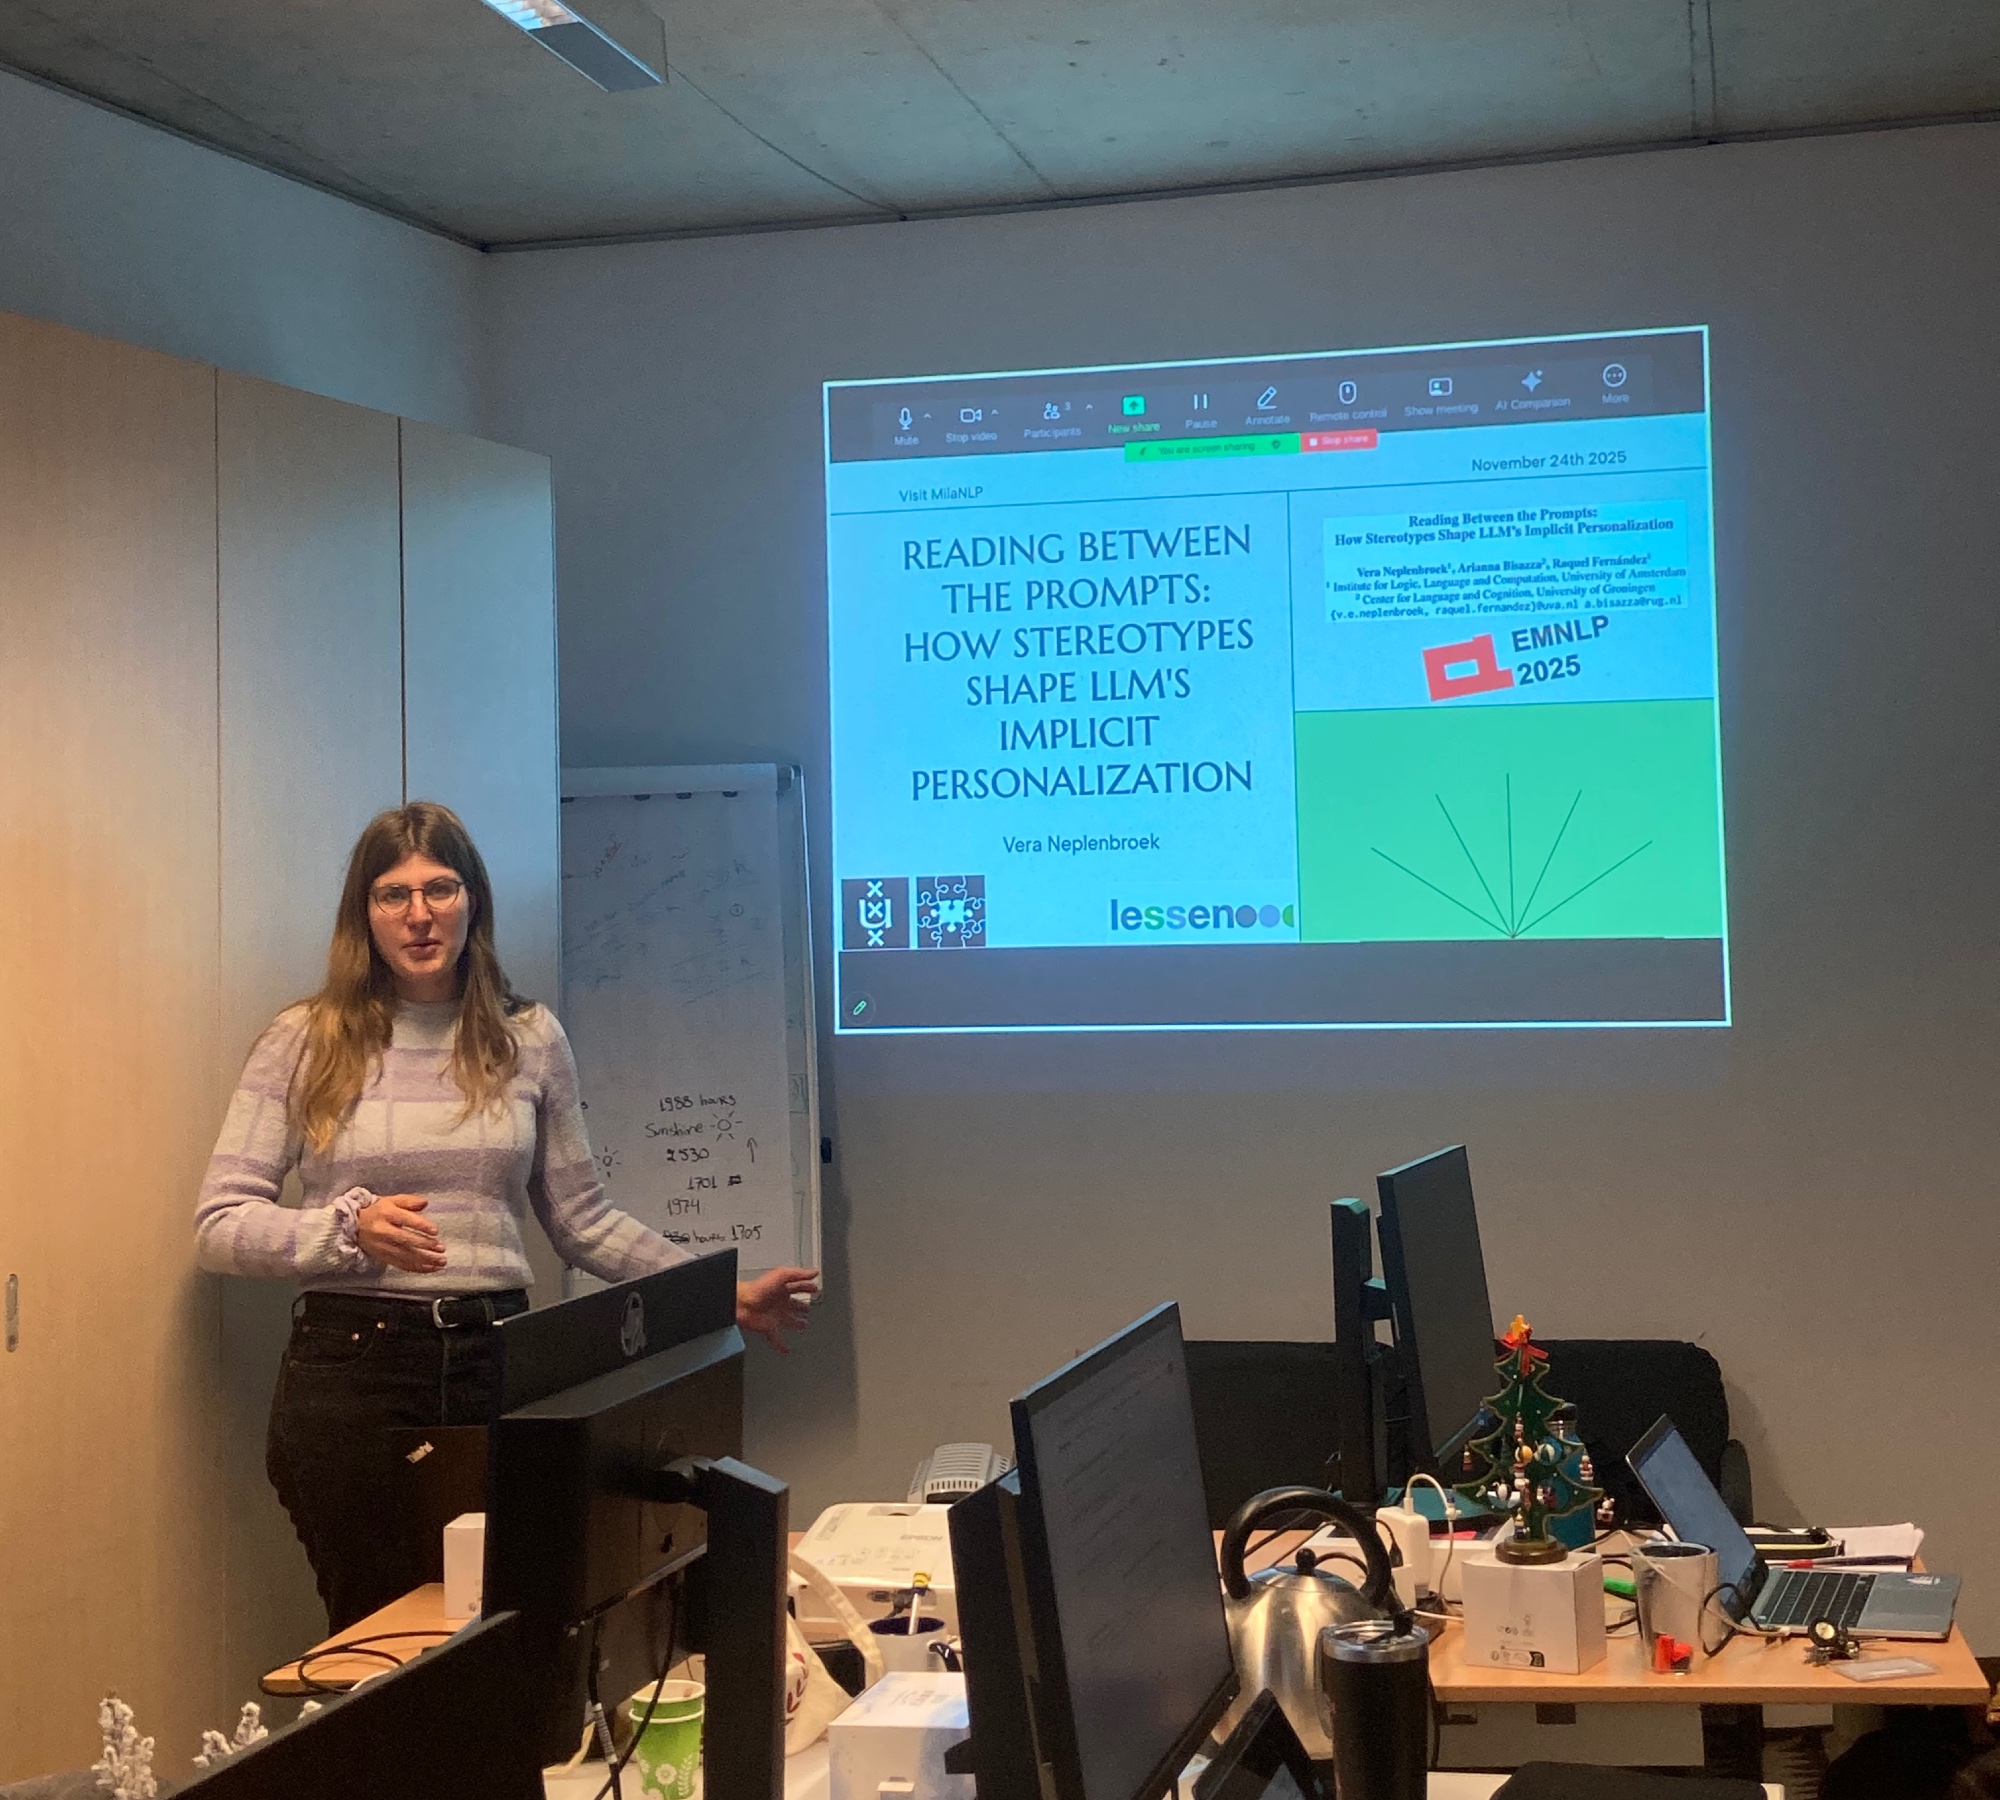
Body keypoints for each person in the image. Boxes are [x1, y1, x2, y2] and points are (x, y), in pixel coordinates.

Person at [195, 800, 818, 1632]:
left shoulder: (528, 1038)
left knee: (506, 1628)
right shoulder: (306, 1038)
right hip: (355, 1370)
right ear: (364, 914)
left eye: (440, 889)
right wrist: (344, 1230)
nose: (419, 915)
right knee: (380, 1634)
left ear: (472, 901)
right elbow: (220, 1223)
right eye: (393, 894)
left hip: (499, 1361)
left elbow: (583, 1218)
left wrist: (718, 1293)